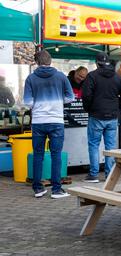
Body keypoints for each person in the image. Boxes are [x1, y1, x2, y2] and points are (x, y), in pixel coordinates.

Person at [23, 49, 74, 198]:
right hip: (56, 121)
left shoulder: (30, 78)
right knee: (56, 155)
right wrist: (57, 102)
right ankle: (57, 190)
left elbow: (28, 103)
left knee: (38, 155)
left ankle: (38, 188)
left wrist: (39, 104)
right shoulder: (61, 77)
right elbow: (70, 97)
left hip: (38, 121)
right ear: (50, 60)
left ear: (37, 62)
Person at [82, 52, 121, 183]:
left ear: (97, 63)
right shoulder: (117, 77)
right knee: (110, 147)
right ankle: (109, 175)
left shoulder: (92, 76)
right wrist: (117, 107)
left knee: (93, 145)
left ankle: (93, 174)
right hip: (112, 117)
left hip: (96, 116)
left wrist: (89, 108)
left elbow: (86, 96)